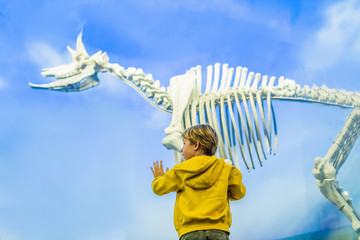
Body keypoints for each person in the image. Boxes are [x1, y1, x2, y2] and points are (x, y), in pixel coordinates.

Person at [151, 124, 246, 240]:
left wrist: (158, 178)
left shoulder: (180, 170)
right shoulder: (225, 169)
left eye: (184, 143)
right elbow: (238, 193)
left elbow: (159, 188)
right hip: (219, 232)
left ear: (196, 145)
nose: (181, 148)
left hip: (190, 232)